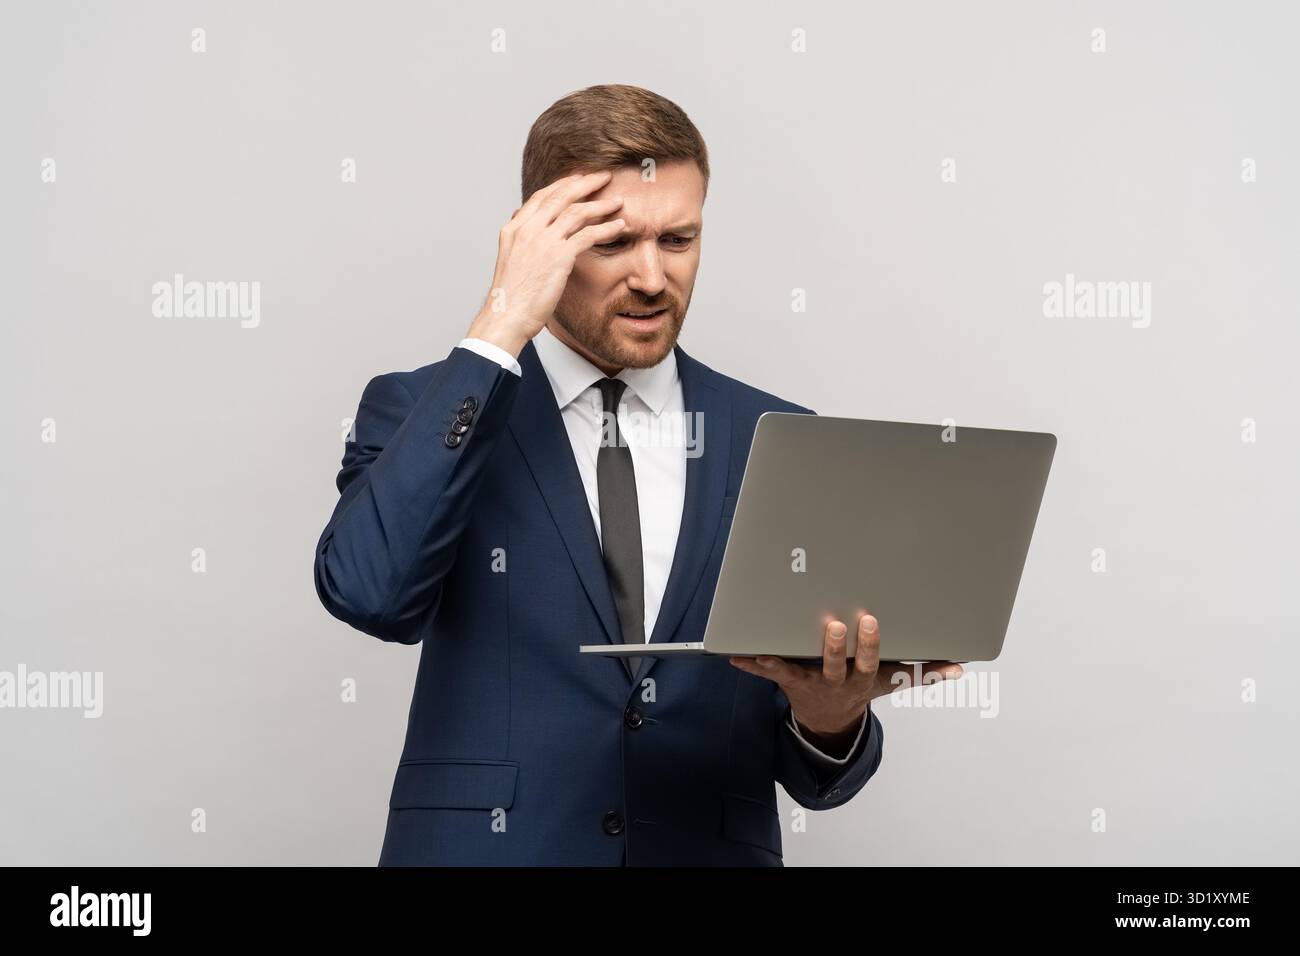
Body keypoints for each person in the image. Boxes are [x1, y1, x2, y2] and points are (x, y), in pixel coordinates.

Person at [313, 84, 961, 866]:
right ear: (538, 241)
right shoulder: (424, 408)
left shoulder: (778, 440)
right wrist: (499, 325)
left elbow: (819, 780)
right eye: (615, 244)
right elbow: (370, 594)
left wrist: (829, 712)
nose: (653, 278)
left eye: (679, 241)